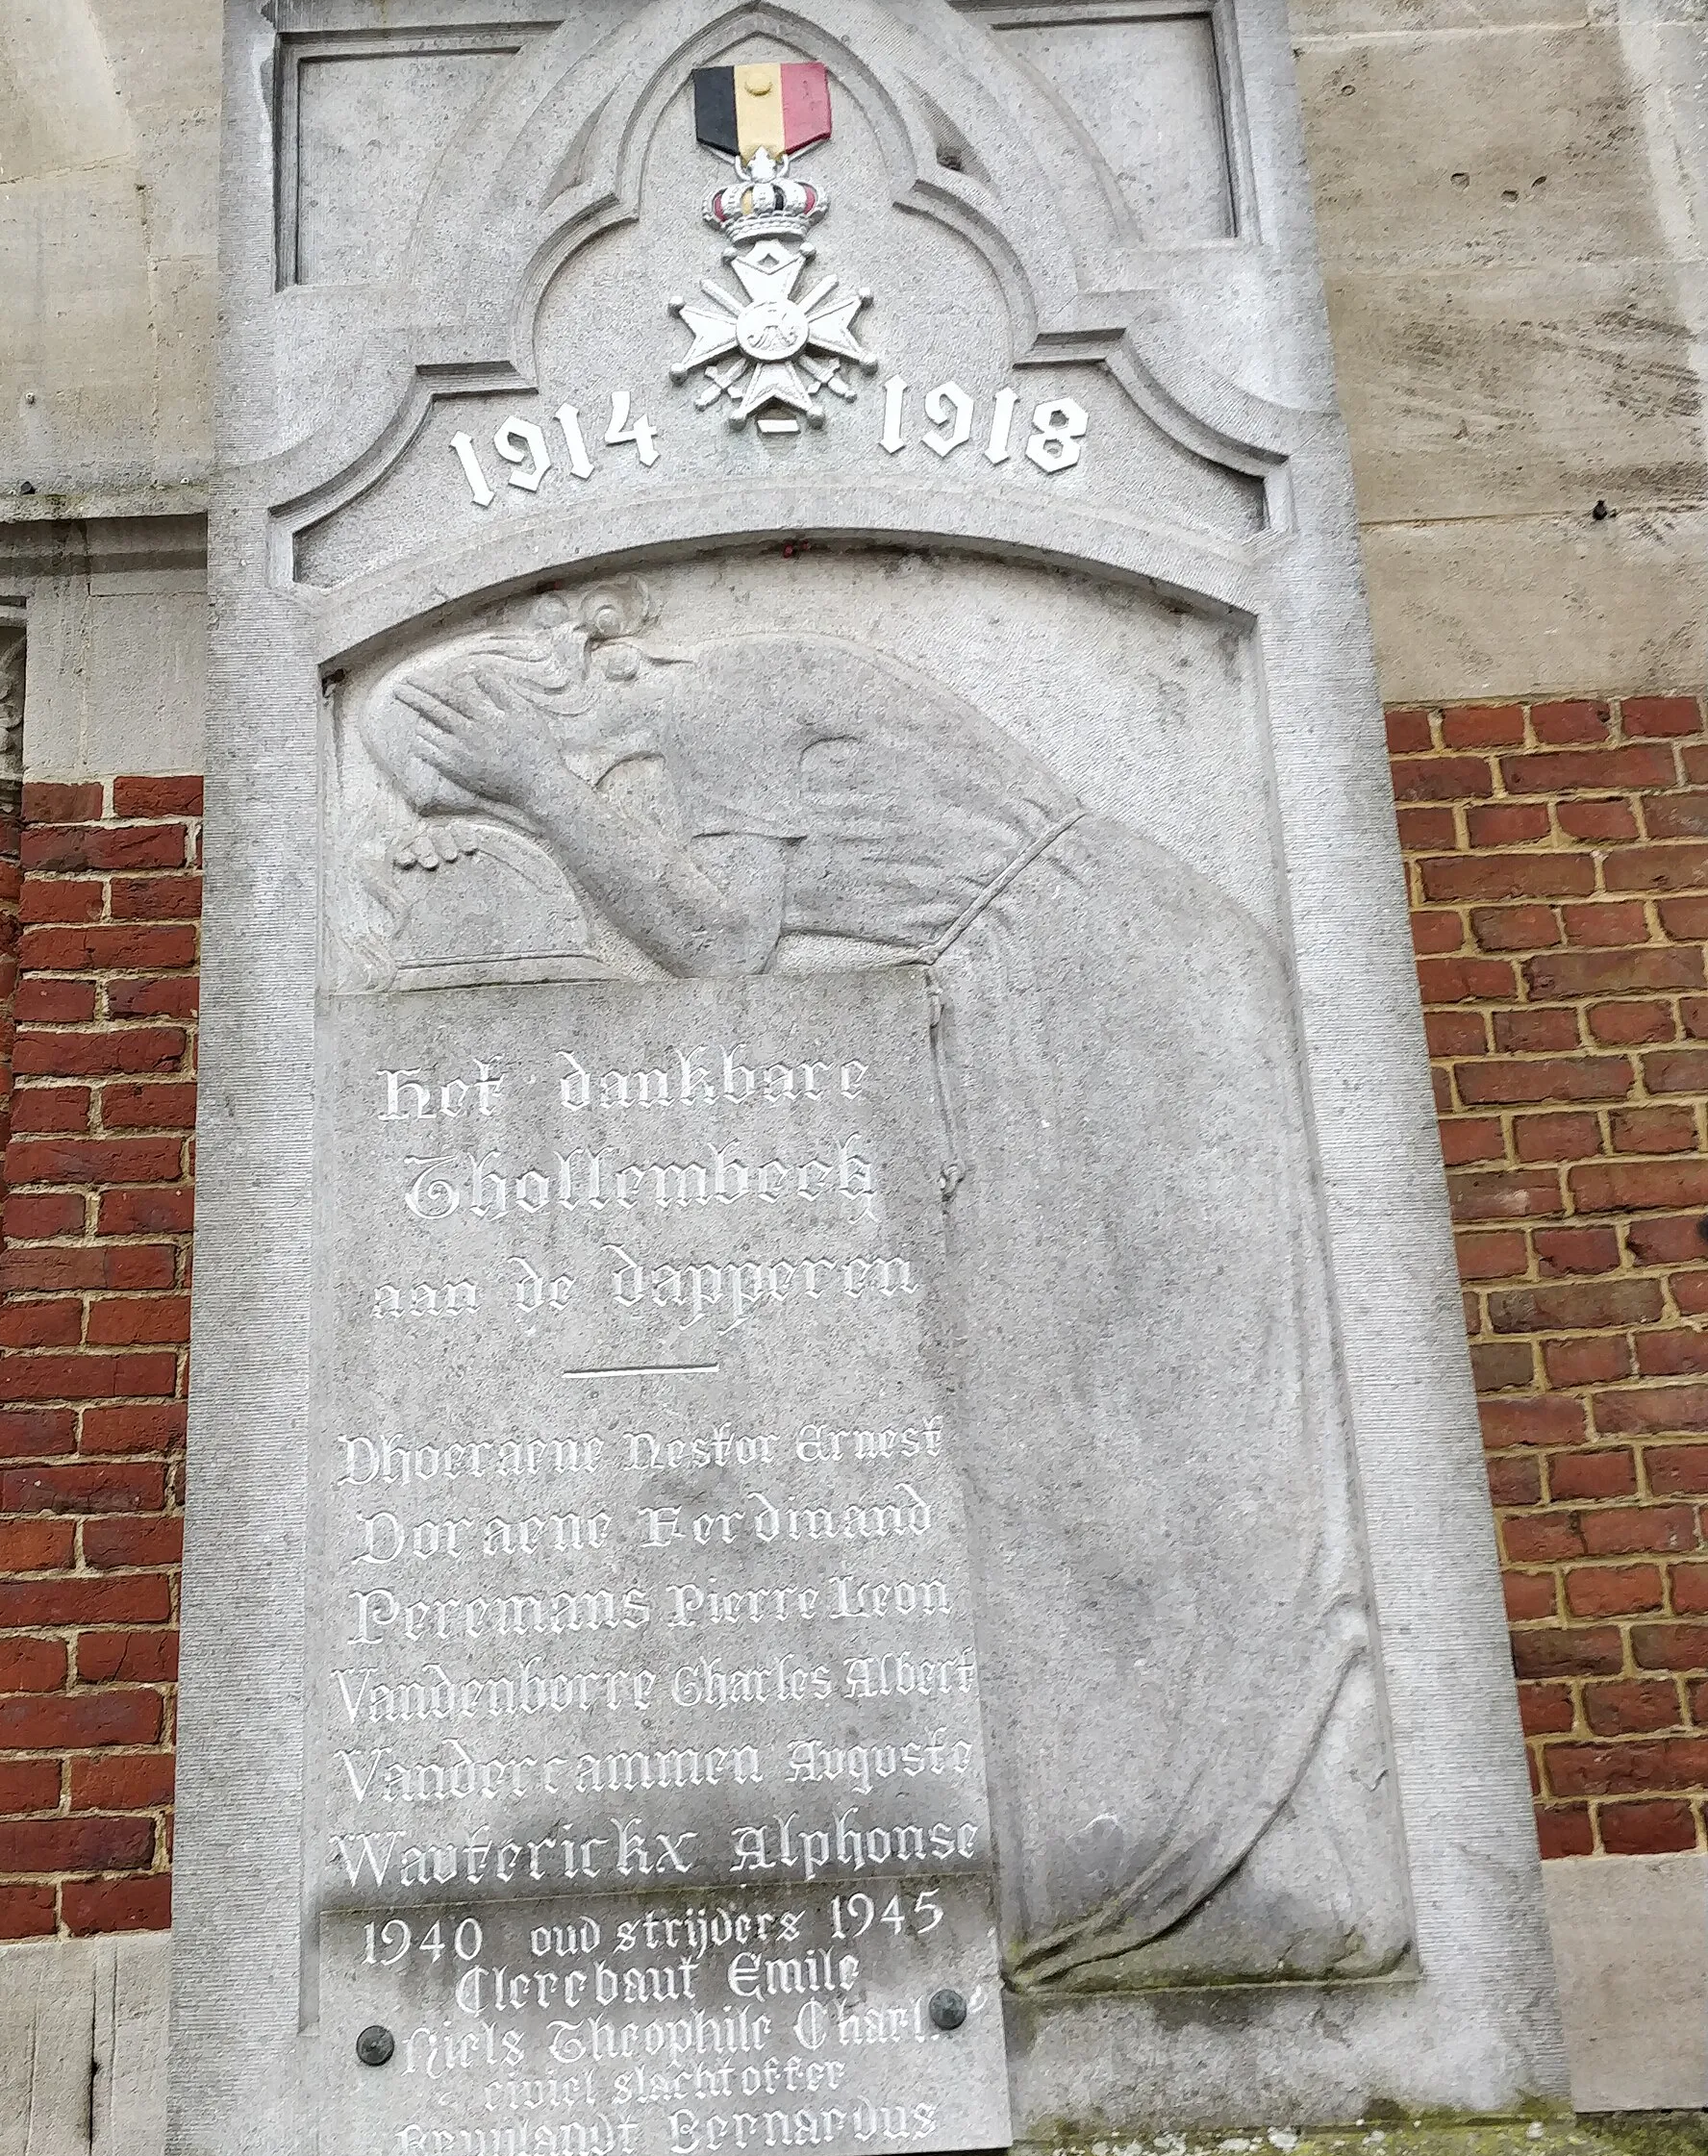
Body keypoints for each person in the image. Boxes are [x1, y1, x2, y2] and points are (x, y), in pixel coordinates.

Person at [364, 585, 1372, 1986]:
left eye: (474, 790)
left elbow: (718, 944)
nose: (515, 822)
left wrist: (536, 792)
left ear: (533, 704)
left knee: (1152, 1429)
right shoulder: (721, 707)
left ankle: (1247, 1838)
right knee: (1050, 1441)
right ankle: (1170, 1850)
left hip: (1105, 988)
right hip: (1023, 1000)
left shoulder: (726, 691)